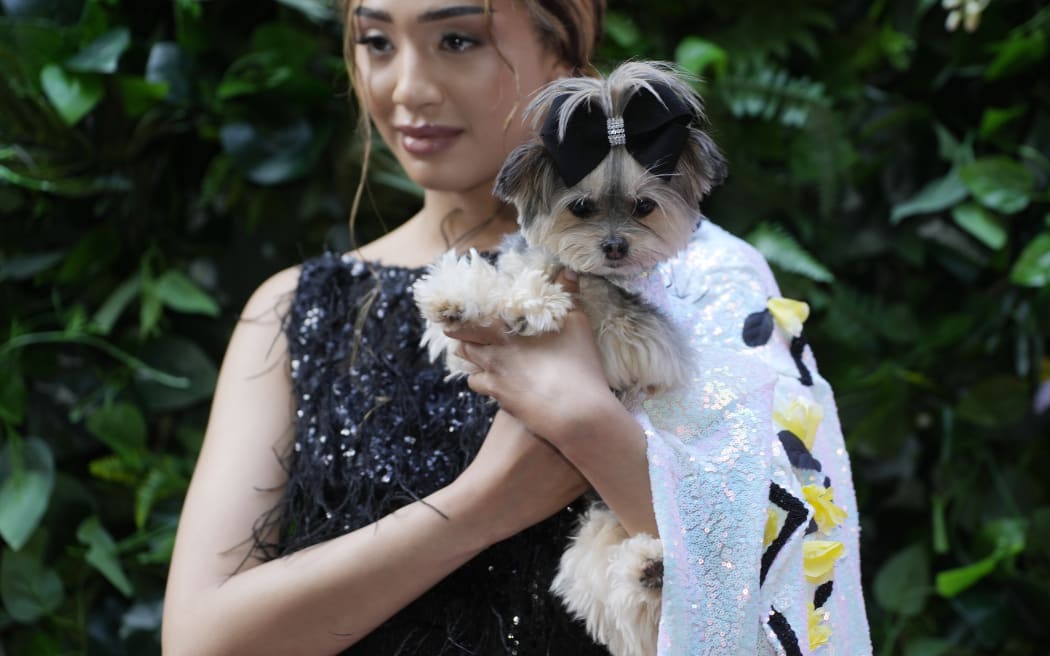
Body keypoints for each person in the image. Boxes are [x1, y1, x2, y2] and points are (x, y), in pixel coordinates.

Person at [162, 0, 872, 654]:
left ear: (564, 55)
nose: (408, 86)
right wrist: (485, 504)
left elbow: (788, 574)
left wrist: (587, 421)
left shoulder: (700, 280)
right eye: (376, 41)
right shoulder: (295, 310)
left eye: (457, 40)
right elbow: (199, 641)